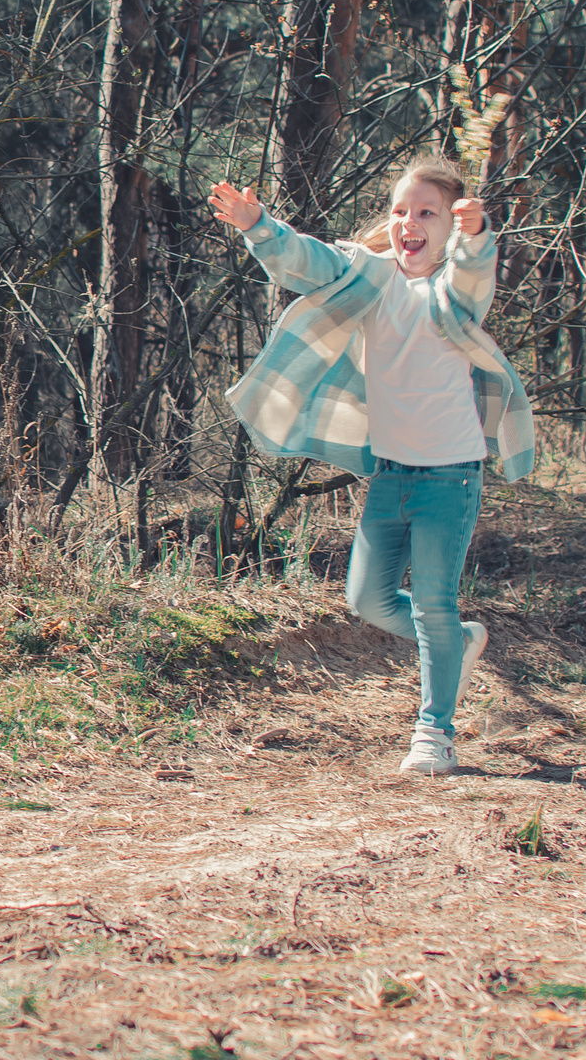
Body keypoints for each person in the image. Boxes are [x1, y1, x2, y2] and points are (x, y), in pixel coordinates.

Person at [209, 155, 535, 777]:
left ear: (446, 228)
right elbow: (310, 260)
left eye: (426, 214)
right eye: (400, 212)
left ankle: (434, 733)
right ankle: (461, 644)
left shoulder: (454, 294)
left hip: (452, 475)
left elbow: (473, 275)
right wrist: (259, 225)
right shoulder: (372, 276)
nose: (409, 223)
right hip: (392, 474)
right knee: (368, 600)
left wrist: (476, 235)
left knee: (433, 603)